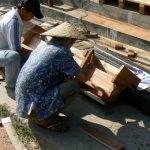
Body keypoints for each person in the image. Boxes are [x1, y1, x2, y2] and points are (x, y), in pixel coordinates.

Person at [15, 22, 94, 132]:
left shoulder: (44, 46)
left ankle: (41, 113)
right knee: (73, 86)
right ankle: (43, 118)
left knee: (64, 78)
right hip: (32, 108)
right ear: (67, 40)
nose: (72, 44)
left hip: (22, 103)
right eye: (73, 41)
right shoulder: (61, 52)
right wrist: (90, 69)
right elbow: (82, 78)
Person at [0, 0, 44, 88]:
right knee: (14, 56)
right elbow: (16, 50)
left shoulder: (17, 15)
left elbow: (34, 27)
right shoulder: (14, 22)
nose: (32, 17)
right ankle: (12, 84)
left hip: (4, 49)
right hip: (2, 52)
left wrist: (51, 33)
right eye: (32, 15)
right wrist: (35, 57)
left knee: (27, 58)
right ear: (23, 10)